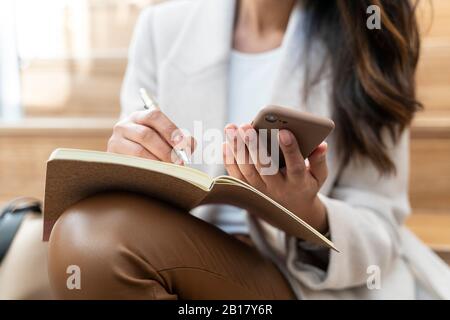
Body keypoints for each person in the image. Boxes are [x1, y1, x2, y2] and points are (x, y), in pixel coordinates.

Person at [47, 0, 450, 299]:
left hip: (292, 279)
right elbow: (136, 166)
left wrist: (308, 214)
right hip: (172, 245)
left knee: (91, 243)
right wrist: (131, 158)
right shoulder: (161, 27)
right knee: (86, 235)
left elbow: (380, 226)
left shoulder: (368, 36)